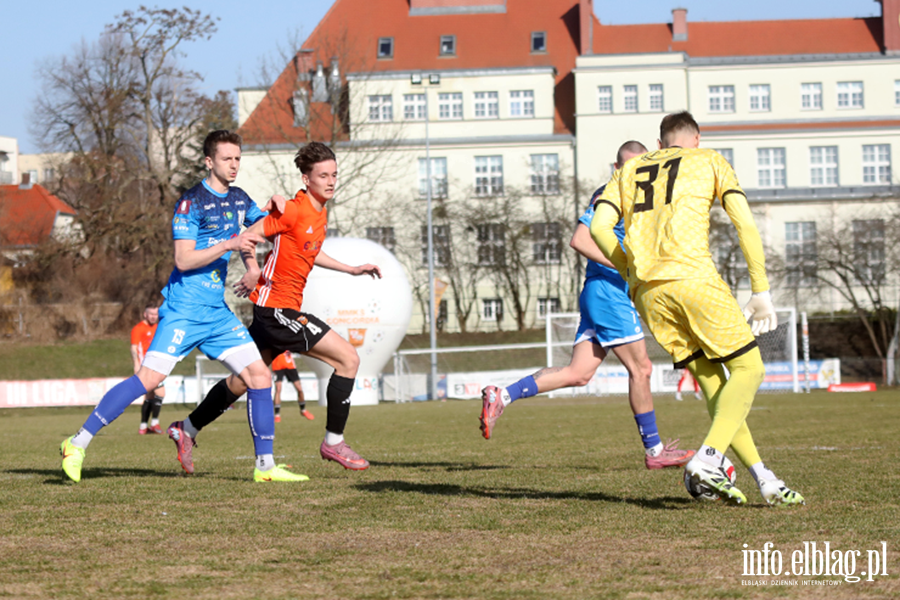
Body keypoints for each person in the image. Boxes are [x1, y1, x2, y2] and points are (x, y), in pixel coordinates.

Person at [60, 130, 307, 484]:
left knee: (259, 376)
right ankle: (76, 443)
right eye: (226, 158)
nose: (234, 165)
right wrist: (228, 244)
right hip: (184, 310)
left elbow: (257, 231)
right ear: (209, 161)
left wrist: (272, 210)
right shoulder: (191, 203)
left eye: (237, 158)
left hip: (216, 312)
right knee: (149, 379)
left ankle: (265, 467)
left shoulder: (239, 198)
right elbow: (184, 259)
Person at [590, 111, 804, 506]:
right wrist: (760, 289)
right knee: (750, 369)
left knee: (715, 385)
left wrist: (629, 269)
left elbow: (598, 229)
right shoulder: (709, 159)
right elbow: (746, 225)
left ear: (659, 144)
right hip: (693, 280)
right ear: (697, 139)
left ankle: (765, 478)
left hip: (648, 295)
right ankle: (708, 460)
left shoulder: (629, 169)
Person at [166, 141, 381, 474]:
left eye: (334, 175)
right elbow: (250, 235)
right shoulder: (293, 210)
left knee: (244, 380)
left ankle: (187, 428)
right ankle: (334, 442)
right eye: (323, 176)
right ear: (306, 179)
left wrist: (351, 269)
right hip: (277, 312)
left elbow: (310, 250)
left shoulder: (319, 212)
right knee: (348, 359)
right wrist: (253, 269)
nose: (330, 181)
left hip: (273, 311)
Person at [480, 141, 694, 470]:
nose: (636, 172)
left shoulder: (642, 197)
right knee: (642, 369)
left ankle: (502, 395)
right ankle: (655, 452)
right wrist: (626, 267)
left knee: (578, 374)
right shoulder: (610, 193)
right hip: (608, 293)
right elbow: (580, 239)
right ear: (616, 168)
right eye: (630, 166)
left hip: (603, 292)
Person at [131, 305, 165, 434]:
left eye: (156, 314)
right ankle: (155, 424)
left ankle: (143, 427)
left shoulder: (157, 327)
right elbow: (134, 348)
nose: (154, 317)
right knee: (161, 393)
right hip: (146, 366)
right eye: (151, 314)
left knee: (149, 396)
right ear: (145, 314)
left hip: (155, 364)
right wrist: (136, 365)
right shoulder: (138, 328)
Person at [270, 350, 315, 422]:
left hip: (290, 365)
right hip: (277, 366)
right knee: (278, 389)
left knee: (299, 388)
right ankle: (277, 415)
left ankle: (303, 410)